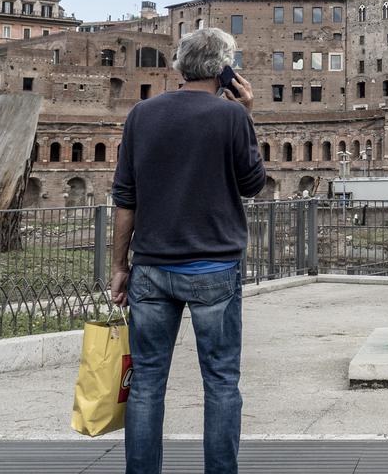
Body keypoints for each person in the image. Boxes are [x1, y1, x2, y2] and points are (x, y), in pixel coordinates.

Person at [110, 27, 266, 474]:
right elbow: (252, 185)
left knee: (145, 385)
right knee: (220, 384)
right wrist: (248, 116)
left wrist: (120, 266)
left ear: (179, 66)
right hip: (214, 266)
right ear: (224, 70)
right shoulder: (231, 116)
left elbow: (126, 198)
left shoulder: (141, 114)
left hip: (152, 268)